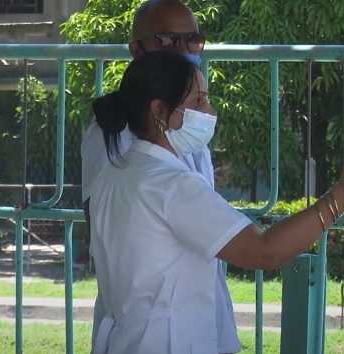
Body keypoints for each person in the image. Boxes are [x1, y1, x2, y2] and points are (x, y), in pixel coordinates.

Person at [87, 50, 344, 354]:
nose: (210, 110)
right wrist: (343, 194)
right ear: (158, 110)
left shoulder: (116, 173)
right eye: (197, 101)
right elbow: (263, 252)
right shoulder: (171, 184)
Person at [78, 1, 241, 352]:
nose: (182, 50)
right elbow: (108, 227)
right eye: (168, 40)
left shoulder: (186, 125)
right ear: (137, 49)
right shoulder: (115, 130)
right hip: (147, 317)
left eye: (192, 40)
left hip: (195, 307)